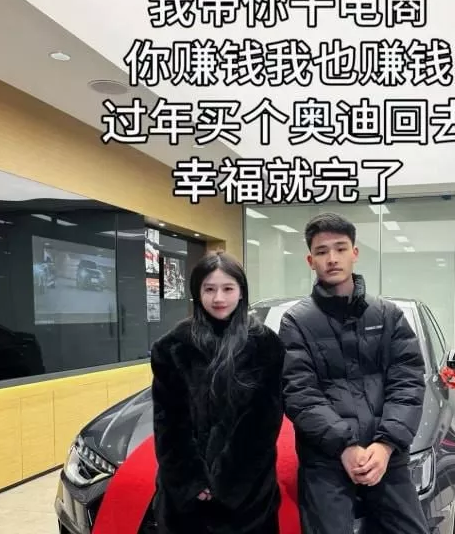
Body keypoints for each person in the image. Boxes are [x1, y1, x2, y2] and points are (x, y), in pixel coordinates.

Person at [278, 213, 429, 534]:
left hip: (385, 454)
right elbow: (300, 393)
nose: (332, 258)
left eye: (340, 248)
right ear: (310, 260)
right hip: (326, 459)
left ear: (355, 253)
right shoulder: (296, 322)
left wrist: (386, 445)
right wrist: (344, 446)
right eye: (321, 251)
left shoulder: (387, 315)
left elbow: (408, 382)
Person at [150, 251, 285, 534]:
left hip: (247, 500)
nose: (218, 298)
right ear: (197, 293)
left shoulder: (265, 346)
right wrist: (193, 482)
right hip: (186, 504)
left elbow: (262, 425)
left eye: (228, 289)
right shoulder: (172, 347)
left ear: (241, 292)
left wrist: (225, 484)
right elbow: (168, 423)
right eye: (209, 289)